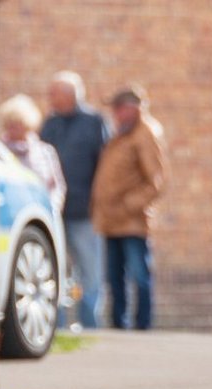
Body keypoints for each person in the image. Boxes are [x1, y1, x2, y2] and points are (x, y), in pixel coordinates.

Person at [91, 85, 167, 330]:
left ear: (132, 109)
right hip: (111, 221)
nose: (115, 114)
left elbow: (155, 182)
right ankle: (118, 325)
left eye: (118, 109)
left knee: (139, 276)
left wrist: (127, 206)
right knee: (115, 278)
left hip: (132, 221)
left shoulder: (145, 134)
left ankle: (142, 326)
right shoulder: (122, 133)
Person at [41, 71, 111, 328]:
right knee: (56, 271)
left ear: (70, 95)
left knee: (90, 275)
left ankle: (91, 326)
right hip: (56, 213)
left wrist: (99, 202)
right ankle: (57, 327)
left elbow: (106, 165)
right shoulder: (50, 123)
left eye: (54, 94)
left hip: (85, 213)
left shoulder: (94, 122)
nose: (50, 99)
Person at [0, 94, 66, 210]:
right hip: (10, 211)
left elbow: (57, 186)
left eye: (17, 123)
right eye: (9, 123)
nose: (12, 128)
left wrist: (53, 206)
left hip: (42, 211)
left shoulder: (45, 151)